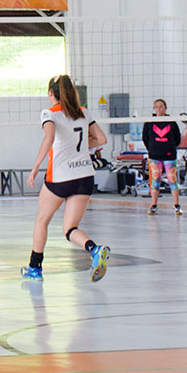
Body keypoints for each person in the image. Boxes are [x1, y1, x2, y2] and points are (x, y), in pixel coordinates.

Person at [22, 75, 111, 283]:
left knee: (42, 220)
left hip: (60, 176)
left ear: (51, 93)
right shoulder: (83, 112)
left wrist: (35, 167)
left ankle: (35, 268)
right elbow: (102, 139)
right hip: (85, 176)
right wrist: (76, 144)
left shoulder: (50, 113)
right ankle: (94, 249)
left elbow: (49, 138)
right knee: (70, 229)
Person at [143, 99, 182, 215]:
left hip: (169, 156)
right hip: (155, 156)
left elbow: (177, 139)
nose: (159, 109)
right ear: (154, 109)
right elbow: (145, 138)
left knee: (172, 180)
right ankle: (153, 205)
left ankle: (176, 205)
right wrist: (152, 149)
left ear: (165, 108)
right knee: (155, 181)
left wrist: (169, 148)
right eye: (156, 107)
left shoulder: (171, 122)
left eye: (161, 106)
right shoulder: (149, 122)